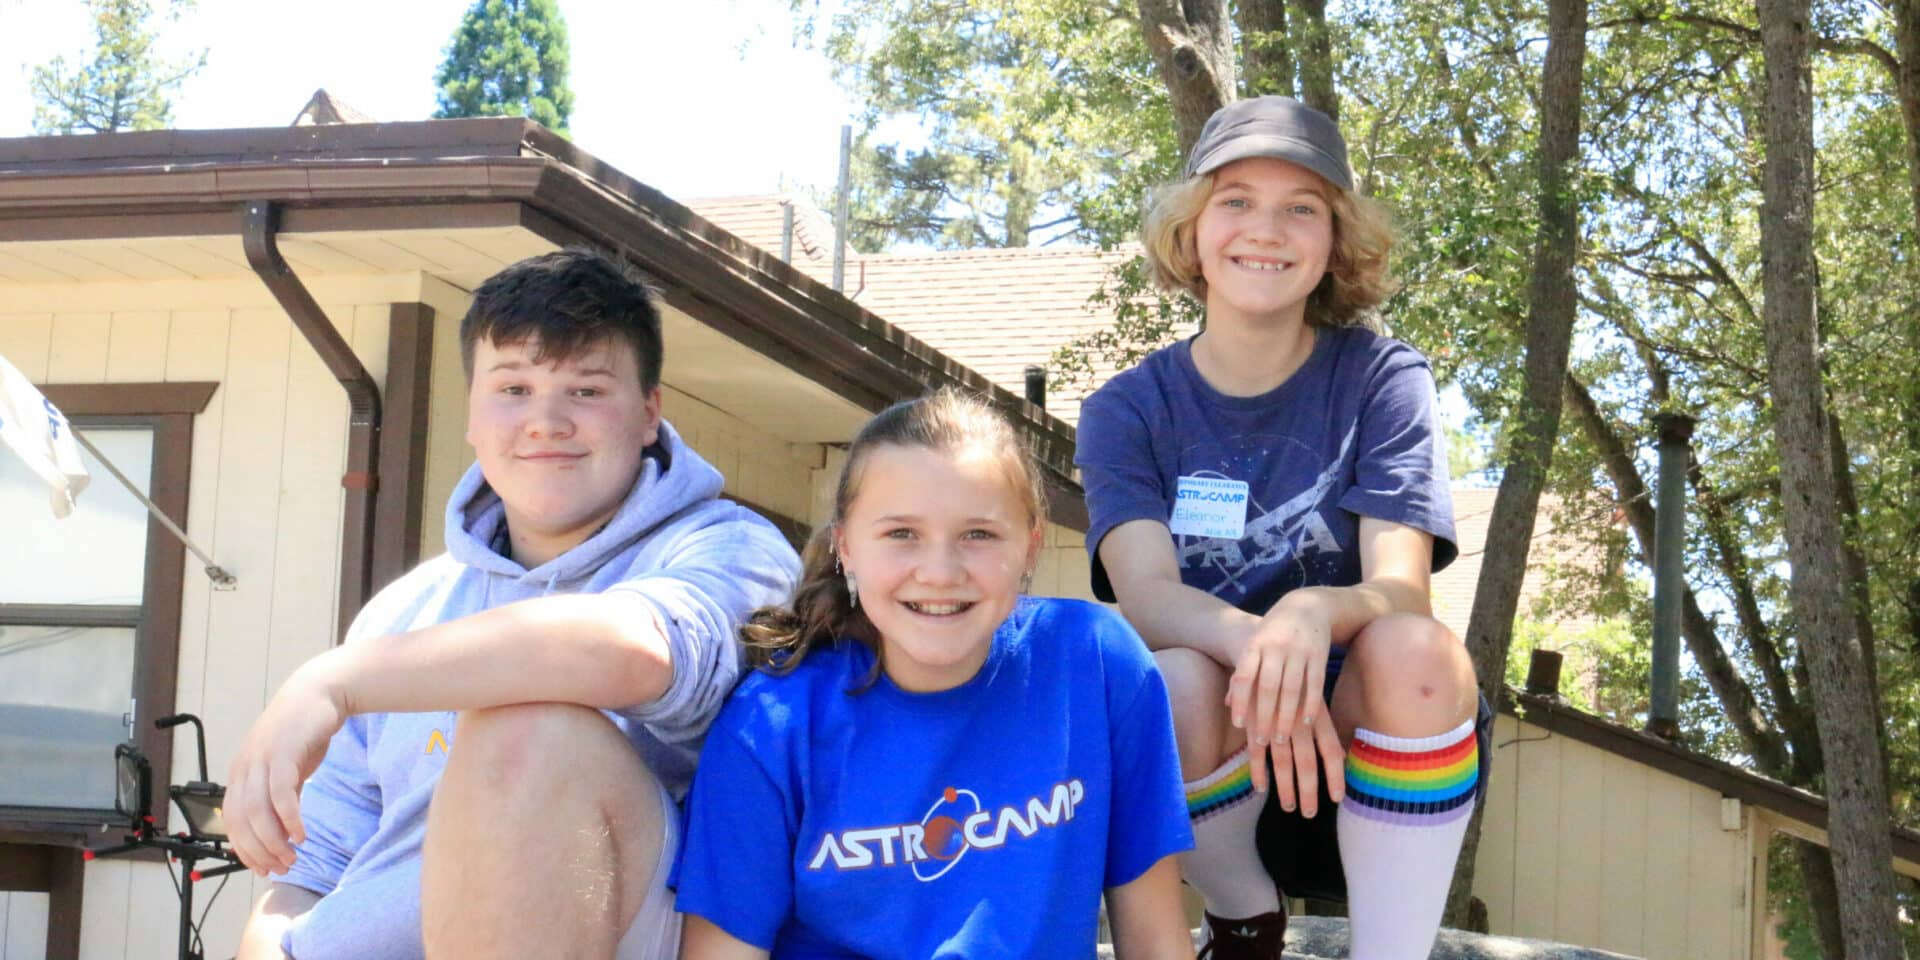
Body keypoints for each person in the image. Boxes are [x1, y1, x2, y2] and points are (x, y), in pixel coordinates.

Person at [224, 248, 803, 960]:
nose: (546, 421)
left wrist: (334, 680)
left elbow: (636, 650)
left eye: (586, 391)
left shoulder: (729, 548)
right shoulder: (405, 610)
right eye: (514, 389)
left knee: (528, 721)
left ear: (649, 412)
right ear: (471, 413)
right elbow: (310, 870)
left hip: (622, 928)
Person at [1074, 96, 1491, 960]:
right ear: (1191, 231)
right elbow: (1146, 596)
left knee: (1420, 649)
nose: (1265, 229)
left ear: (1336, 242)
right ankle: (1241, 919)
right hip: (1213, 778)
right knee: (1171, 676)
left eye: (1301, 207)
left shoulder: (1384, 377)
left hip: (1366, 752)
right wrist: (1263, 650)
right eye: (1236, 200)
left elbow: (1401, 587)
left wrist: (1310, 613)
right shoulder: (1125, 411)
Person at [673, 388, 1197, 960]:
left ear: (1030, 546)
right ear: (846, 547)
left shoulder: (1096, 664)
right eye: (901, 534)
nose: (940, 572)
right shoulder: (769, 729)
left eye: (978, 534)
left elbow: (1154, 938)